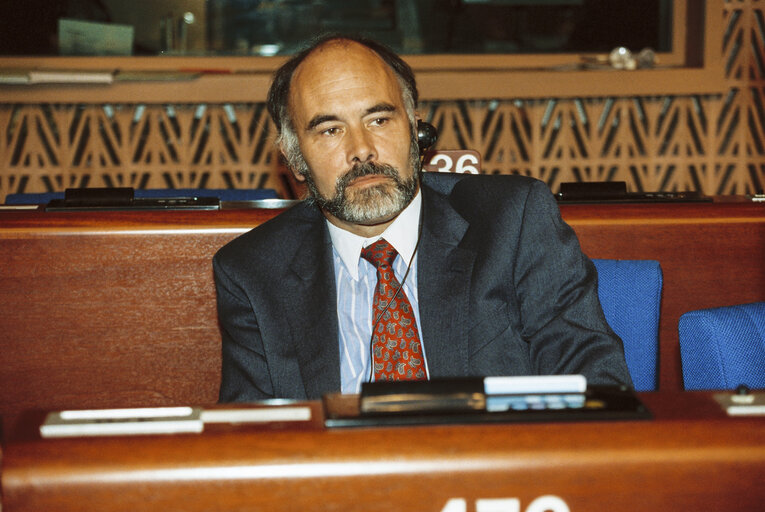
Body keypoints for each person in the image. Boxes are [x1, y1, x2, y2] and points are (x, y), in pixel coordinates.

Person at [214, 34, 633, 402]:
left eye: (379, 120)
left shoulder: (512, 220)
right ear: (294, 159)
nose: (362, 149)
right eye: (330, 130)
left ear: (415, 130)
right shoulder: (253, 272)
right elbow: (255, 439)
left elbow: (595, 387)